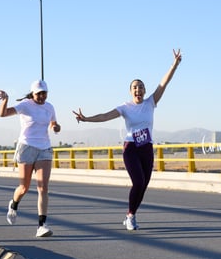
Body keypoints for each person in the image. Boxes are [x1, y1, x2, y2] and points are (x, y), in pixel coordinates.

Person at [73, 49, 182, 230]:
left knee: (144, 185)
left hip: (146, 147)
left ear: (144, 90)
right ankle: (131, 216)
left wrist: (174, 65)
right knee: (138, 182)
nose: (138, 89)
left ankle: (130, 214)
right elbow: (104, 116)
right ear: (130, 91)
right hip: (131, 148)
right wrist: (86, 119)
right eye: (134, 87)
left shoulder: (151, 102)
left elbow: (164, 84)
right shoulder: (125, 107)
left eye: (140, 87)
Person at [0, 80, 61, 237]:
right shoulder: (25, 105)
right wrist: (5, 100)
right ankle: (13, 204)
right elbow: (3, 114)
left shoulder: (49, 107)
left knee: (43, 187)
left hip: (44, 148)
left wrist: (55, 127)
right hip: (26, 147)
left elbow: (53, 123)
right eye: (39, 93)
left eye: (44, 93)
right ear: (33, 93)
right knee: (24, 187)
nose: (41, 96)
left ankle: (42, 225)